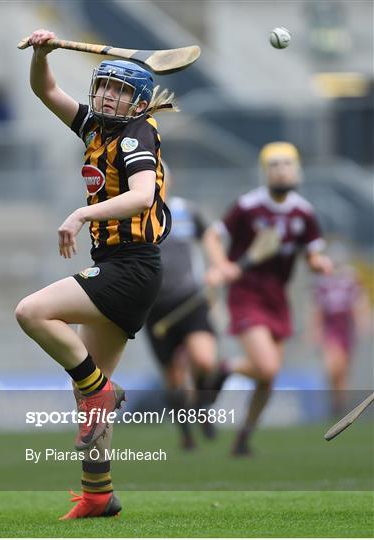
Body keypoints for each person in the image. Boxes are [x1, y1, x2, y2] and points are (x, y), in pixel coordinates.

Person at [15, 29, 177, 520]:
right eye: (104, 85)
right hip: (118, 266)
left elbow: (143, 195)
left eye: (120, 90)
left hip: (133, 266)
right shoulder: (95, 129)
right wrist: (43, 55)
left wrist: (81, 214)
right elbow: (44, 90)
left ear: (138, 102)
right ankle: (98, 494)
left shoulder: (136, 133)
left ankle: (99, 387)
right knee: (88, 396)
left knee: (32, 312)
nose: (108, 95)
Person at [204, 142, 333, 456]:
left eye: (286, 164)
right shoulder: (248, 206)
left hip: (278, 298)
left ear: (296, 168)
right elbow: (212, 235)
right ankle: (223, 370)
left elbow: (313, 251)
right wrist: (222, 266)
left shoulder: (304, 211)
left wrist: (319, 263)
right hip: (246, 293)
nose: (281, 170)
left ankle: (243, 437)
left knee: (267, 379)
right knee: (268, 366)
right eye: (274, 165)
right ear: (265, 171)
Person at [144, 166, 219, 449]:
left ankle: (201, 404)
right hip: (154, 308)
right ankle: (186, 433)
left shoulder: (187, 211)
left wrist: (217, 268)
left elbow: (210, 238)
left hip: (190, 300)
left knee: (205, 361)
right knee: (173, 377)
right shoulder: (134, 214)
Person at [311, 241, 371, 416]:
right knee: (331, 366)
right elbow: (318, 309)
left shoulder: (350, 279)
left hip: (345, 329)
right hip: (331, 329)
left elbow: (359, 302)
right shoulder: (323, 281)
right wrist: (315, 331)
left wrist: (363, 321)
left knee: (343, 370)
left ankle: (340, 406)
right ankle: (335, 402)